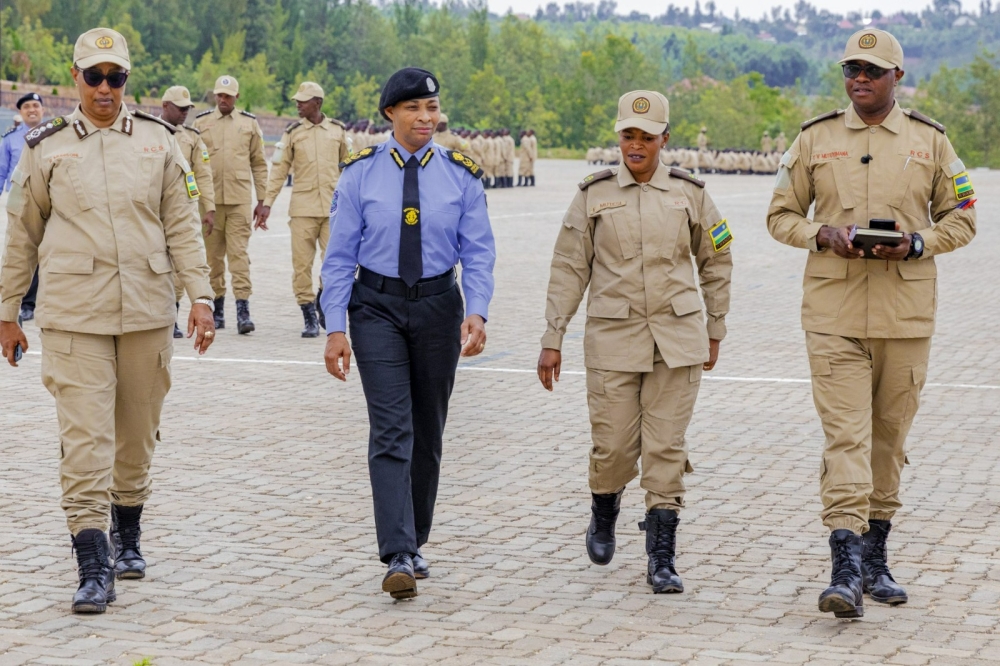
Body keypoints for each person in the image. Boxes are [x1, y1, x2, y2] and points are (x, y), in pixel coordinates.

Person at [0, 28, 216, 614]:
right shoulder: (45, 148)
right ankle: (93, 562)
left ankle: (129, 530)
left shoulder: (159, 141)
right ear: (75, 78)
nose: (104, 87)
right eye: (93, 76)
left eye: (114, 77)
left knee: (137, 437)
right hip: (74, 317)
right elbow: (20, 235)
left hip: (147, 312)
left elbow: (183, 224)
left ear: (127, 80)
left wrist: (202, 296)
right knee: (85, 441)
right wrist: (7, 311)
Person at [767, 28, 977, 619]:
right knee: (846, 439)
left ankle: (877, 556)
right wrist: (822, 233)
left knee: (888, 441)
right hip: (833, 315)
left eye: (872, 70)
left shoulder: (931, 142)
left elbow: (963, 218)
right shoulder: (815, 139)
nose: (859, 78)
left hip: (904, 318)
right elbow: (780, 215)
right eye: (851, 69)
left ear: (896, 78)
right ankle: (845, 567)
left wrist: (915, 243)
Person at [537, 90, 733, 594]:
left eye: (647, 136)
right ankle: (604, 510)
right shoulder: (592, 195)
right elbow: (568, 268)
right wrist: (552, 336)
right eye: (629, 135)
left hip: (677, 339)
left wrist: (716, 325)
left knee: (666, 448)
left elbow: (716, 261)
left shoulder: (690, 193)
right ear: (619, 137)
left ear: (665, 139)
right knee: (615, 449)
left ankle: (661, 557)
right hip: (613, 340)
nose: (636, 145)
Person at [321, 67, 496, 600]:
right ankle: (396, 551)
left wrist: (478, 311)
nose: (426, 118)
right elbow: (338, 259)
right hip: (376, 309)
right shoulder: (359, 174)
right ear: (390, 114)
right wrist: (335, 327)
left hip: (440, 308)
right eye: (414, 108)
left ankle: (414, 538)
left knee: (428, 429)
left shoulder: (461, 174)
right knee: (392, 427)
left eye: (432, 108)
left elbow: (479, 251)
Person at [261, 81, 349, 337]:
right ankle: (308, 314)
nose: (298, 104)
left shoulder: (338, 131)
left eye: (303, 100)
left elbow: (350, 168)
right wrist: (267, 204)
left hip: (334, 210)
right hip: (302, 210)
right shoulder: (293, 133)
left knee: (332, 263)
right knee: (301, 266)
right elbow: (278, 171)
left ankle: (324, 301)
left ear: (318, 103)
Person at [193, 75, 269, 334]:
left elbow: (259, 164)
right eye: (219, 95)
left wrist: (263, 201)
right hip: (209, 203)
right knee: (212, 259)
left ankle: (243, 309)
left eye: (227, 96)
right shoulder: (201, 123)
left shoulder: (249, 124)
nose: (222, 99)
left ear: (236, 97)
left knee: (239, 257)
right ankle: (218, 309)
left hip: (238, 202)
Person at [160, 85, 217, 339]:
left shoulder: (192, 138)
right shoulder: (149, 133)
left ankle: (172, 316)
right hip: (151, 210)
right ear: (165, 106)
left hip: (182, 209)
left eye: (187, 109)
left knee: (181, 265)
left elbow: (202, 175)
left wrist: (210, 208)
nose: (184, 113)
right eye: (180, 108)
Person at [1, 93, 47, 322]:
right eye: (27, 106)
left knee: (41, 251)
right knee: (16, 250)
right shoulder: (10, 139)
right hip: (15, 200)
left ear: (42, 109)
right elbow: (2, 170)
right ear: (20, 112)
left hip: (45, 200)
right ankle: (18, 303)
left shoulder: (54, 135)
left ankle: (34, 302)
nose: (31, 110)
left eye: (35, 106)